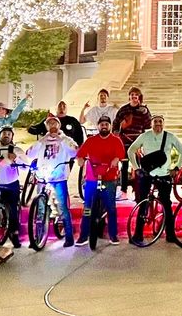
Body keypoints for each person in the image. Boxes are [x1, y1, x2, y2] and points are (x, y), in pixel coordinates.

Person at [128, 114, 182, 244]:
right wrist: (136, 168)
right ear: (151, 123)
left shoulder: (170, 136)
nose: (158, 124)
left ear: (163, 124)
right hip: (147, 174)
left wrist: (176, 168)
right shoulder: (145, 136)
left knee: (166, 203)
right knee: (143, 203)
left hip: (164, 175)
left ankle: (170, 235)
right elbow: (131, 150)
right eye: (155, 122)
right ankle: (138, 235)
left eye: (160, 121)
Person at [26, 115, 80, 247]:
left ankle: (69, 237)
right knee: (40, 209)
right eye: (49, 124)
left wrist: (61, 140)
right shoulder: (43, 140)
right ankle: (38, 237)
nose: (52, 126)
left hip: (59, 177)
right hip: (43, 178)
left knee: (62, 207)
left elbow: (74, 152)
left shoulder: (65, 139)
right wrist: (41, 141)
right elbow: (29, 154)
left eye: (54, 123)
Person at [75, 114, 125, 245]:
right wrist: (80, 159)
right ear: (98, 126)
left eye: (106, 124)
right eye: (102, 124)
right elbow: (81, 153)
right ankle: (83, 235)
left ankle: (113, 235)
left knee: (111, 208)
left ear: (110, 126)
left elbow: (121, 153)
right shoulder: (91, 140)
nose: (104, 126)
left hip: (109, 178)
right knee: (87, 208)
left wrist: (116, 159)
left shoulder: (116, 140)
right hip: (92, 178)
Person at [0, 126, 27, 248]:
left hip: (10, 184)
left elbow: (26, 165)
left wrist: (16, 159)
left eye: (9, 134)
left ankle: (14, 234)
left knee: (13, 209)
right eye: (4, 133)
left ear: (12, 136)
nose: (6, 135)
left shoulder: (16, 150)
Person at [113, 87, 153, 196]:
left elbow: (149, 125)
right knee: (125, 165)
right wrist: (116, 134)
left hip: (138, 141)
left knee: (139, 166)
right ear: (129, 96)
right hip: (125, 140)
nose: (134, 96)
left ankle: (140, 190)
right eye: (132, 94)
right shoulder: (123, 109)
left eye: (136, 94)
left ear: (139, 97)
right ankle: (123, 190)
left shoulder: (144, 110)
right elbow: (115, 124)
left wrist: (145, 114)